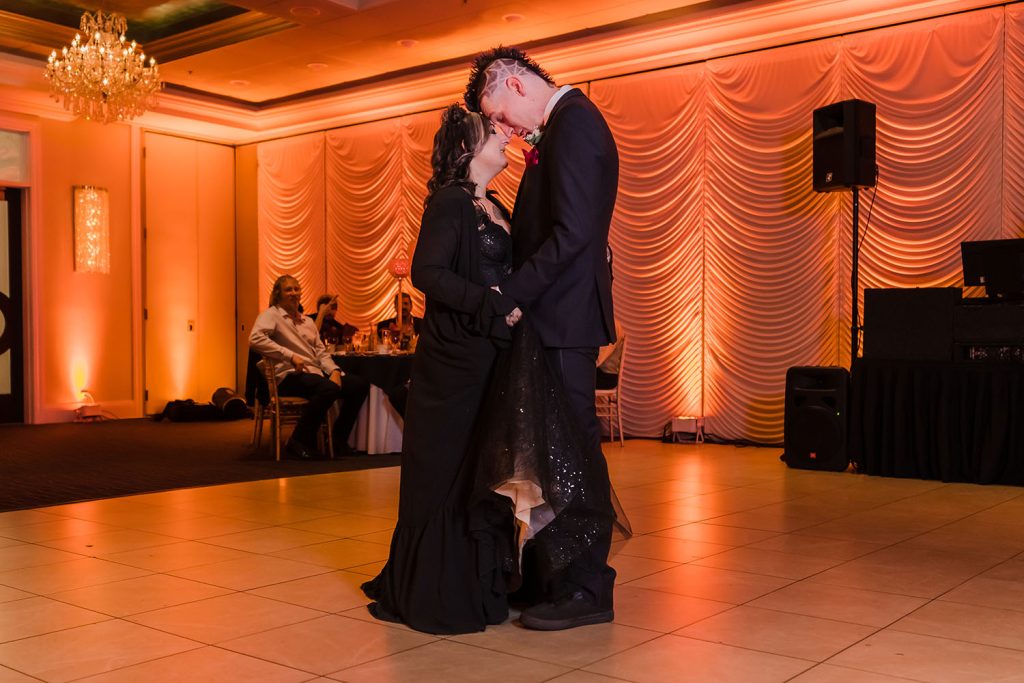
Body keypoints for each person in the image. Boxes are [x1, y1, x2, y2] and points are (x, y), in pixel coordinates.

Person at [464, 46, 620, 631]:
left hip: (563, 317)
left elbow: (573, 232)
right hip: (556, 317)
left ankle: (589, 588)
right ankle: (559, 576)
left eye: (498, 111)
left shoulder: (575, 121)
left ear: (517, 83)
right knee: (558, 453)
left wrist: (510, 293)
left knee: (575, 452)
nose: (501, 128)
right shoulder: (562, 126)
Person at [361, 104, 520, 634]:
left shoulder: (493, 202)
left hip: (493, 356)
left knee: (484, 471)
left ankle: (483, 580)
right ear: (464, 150)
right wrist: (493, 302)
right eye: (491, 131)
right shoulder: (451, 202)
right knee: (449, 472)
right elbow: (428, 272)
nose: (503, 136)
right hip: (454, 364)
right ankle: (440, 585)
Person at [249, 275, 370, 459]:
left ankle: (336, 439)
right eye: (288, 289)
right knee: (327, 388)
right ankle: (298, 440)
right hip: (288, 375)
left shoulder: (307, 322)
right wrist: (290, 356)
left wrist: (335, 371)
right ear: (278, 294)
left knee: (359, 385)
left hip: (314, 373)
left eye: (296, 289)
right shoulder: (271, 315)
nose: (294, 293)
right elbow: (255, 339)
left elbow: (321, 352)